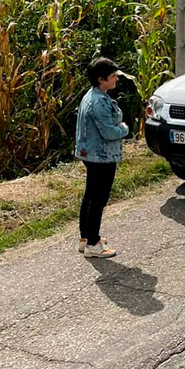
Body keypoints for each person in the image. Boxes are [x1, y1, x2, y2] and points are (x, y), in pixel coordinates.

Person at [75, 57, 129, 258]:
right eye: (113, 76)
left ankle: (85, 237)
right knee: (99, 199)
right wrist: (124, 128)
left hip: (91, 153)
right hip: (101, 156)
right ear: (101, 79)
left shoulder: (91, 96)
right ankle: (93, 244)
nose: (116, 79)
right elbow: (109, 132)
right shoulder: (100, 103)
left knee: (90, 196)